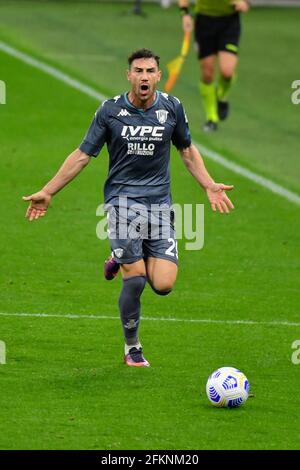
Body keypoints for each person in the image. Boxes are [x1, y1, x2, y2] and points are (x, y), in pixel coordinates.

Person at [23, 49, 234, 367]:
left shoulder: (172, 108)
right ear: (129, 75)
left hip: (160, 206)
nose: (144, 76)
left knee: (163, 285)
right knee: (135, 280)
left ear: (159, 76)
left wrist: (208, 184)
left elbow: (187, 150)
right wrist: (49, 191)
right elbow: (82, 155)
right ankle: (132, 347)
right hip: (122, 205)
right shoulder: (110, 111)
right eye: (138, 71)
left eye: (150, 71)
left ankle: (119, 256)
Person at [178, 0, 250, 132]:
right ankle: (212, 117)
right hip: (204, 22)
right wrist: (185, 14)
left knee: (227, 72)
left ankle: (221, 96)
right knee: (207, 73)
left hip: (229, 22)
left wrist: (245, 2)